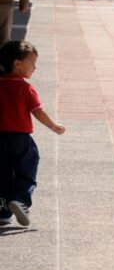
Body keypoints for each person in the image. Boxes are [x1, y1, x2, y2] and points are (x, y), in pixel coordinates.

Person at [0, 41, 66, 227]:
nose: (35, 67)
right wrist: (54, 126)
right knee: (27, 171)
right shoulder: (25, 88)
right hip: (20, 140)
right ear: (17, 64)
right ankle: (20, 200)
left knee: (3, 174)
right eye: (32, 62)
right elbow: (38, 111)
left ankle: (3, 211)